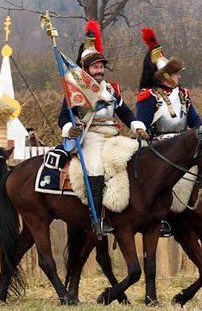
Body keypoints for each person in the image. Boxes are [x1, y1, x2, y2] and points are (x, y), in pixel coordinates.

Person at [134, 27, 202, 236]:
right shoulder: (148, 96)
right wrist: (144, 135)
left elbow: (195, 121)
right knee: (173, 181)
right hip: (161, 148)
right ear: (165, 76)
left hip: (186, 144)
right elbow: (142, 124)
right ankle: (166, 220)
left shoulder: (183, 94)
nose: (179, 77)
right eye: (176, 73)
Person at [57, 21, 147, 237]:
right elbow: (62, 118)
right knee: (96, 168)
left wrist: (136, 125)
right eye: (95, 67)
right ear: (86, 69)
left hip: (114, 136)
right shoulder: (75, 90)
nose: (100, 71)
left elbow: (124, 112)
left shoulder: (112, 89)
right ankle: (97, 219)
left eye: (101, 67)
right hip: (91, 137)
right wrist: (70, 129)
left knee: (140, 160)